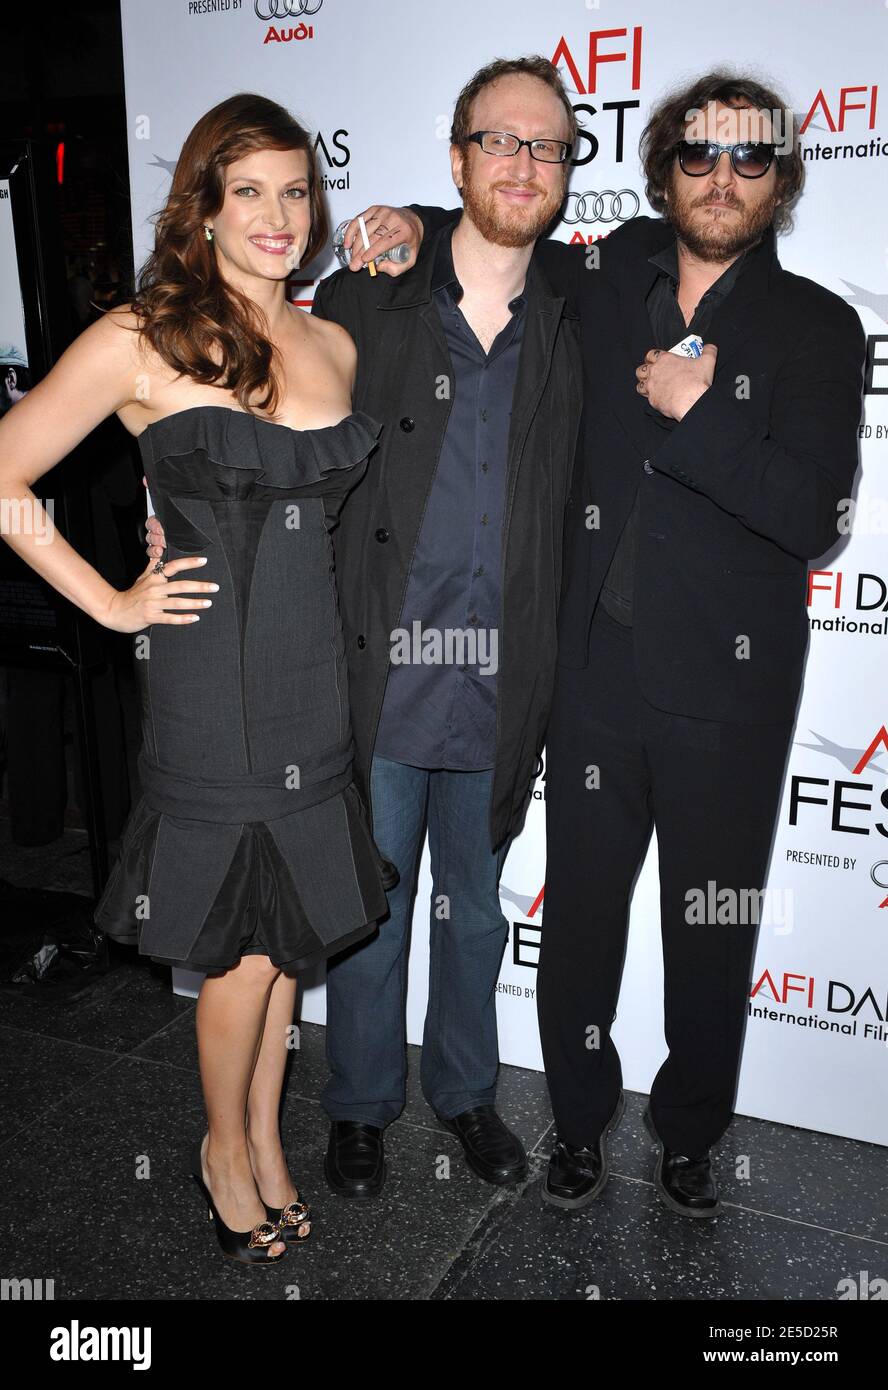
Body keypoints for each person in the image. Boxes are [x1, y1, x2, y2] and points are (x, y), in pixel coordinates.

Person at [399, 68, 866, 1220]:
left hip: (731, 696)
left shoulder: (819, 326)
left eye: (750, 158)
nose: (722, 177)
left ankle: (692, 1132)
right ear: (665, 165)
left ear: (780, 178)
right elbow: (497, 237)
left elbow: (811, 512)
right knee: (583, 923)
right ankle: (578, 1121)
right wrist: (407, 224)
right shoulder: (601, 275)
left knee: (711, 927)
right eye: (699, 154)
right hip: (595, 678)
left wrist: (697, 411)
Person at [147, 55, 583, 1200]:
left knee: (478, 916)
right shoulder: (366, 296)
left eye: (545, 146)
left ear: (565, 169)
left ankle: (470, 1094)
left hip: (503, 679)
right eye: (498, 141)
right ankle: (356, 1108)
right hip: (375, 671)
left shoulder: (583, 304)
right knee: (365, 914)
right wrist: (170, 525)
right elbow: (247, 414)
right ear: (456, 158)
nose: (522, 162)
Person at [0, 92, 396, 1265]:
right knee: (240, 946)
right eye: (249, 193)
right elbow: (7, 475)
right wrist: (117, 601)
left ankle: (266, 1138)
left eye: (295, 190)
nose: (279, 216)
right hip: (208, 697)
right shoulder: (142, 338)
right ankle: (222, 1149)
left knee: (288, 939)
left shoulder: (334, 342)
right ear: (205, 212)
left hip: (311, 680)